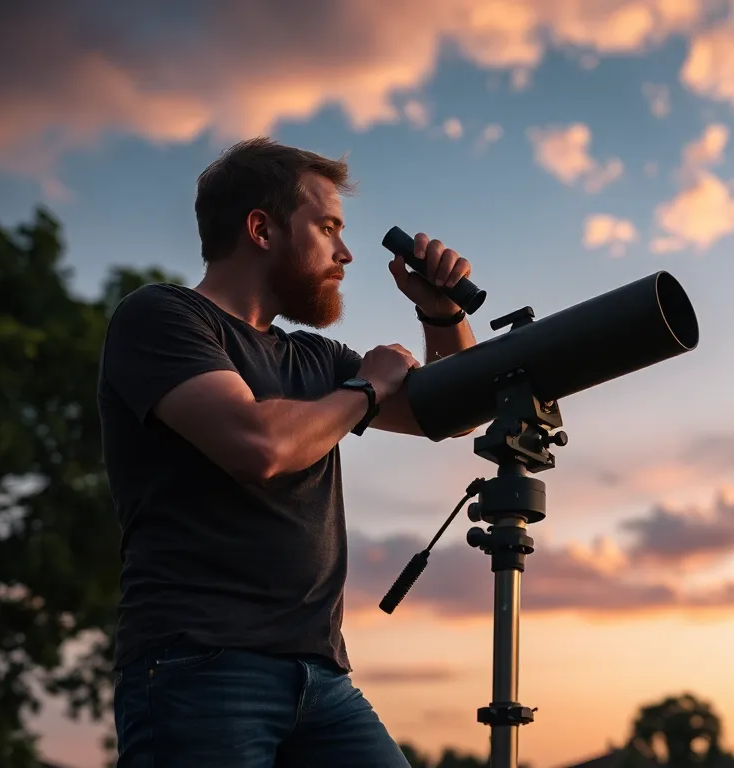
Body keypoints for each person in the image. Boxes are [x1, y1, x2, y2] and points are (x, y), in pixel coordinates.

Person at [97, 136, 477, 766]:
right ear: (261, 229)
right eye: (328, 227)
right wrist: (369, 386)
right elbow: (257, 444)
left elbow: (454, 414)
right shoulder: (161, 317)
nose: (346, 253)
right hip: (198, 668)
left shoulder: (316, 359)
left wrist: (440, 317)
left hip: (322, 679)